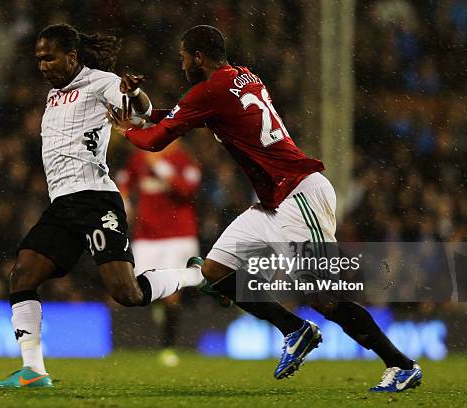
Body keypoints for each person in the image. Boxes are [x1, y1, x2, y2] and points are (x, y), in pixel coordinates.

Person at [108, 25, 422, 393]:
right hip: (273, 200)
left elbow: (157, 137)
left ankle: (401, 365)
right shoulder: (239, 78)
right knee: (215, 272)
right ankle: (294, 329)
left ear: (198, 57)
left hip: (299, 193)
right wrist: (140, 99)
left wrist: (125, 132)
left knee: (324, 297)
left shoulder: (212, 90)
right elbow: (170, 114)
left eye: (182, 57)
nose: (180, 64)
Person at [0, 23, 207, 388]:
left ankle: (198, 275)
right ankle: (34, 371)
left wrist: (135, 92)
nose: (42, 65)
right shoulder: (53, 94)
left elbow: (143, 112)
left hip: (95, 199)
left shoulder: (102, 82)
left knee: (126, 294)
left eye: (49, 58)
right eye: (38, 59)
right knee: (22, 276)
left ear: (72, 57)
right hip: (61, 205)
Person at [118, 140, 201, 366]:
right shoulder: (139, 158)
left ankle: (168, 348)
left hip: (178, 236)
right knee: (136, 287)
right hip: (146, 236)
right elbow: (125, 182)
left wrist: (160, 166)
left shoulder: (184, 161)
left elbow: (186, 189)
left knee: (172, 292)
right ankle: (160, 310)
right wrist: (124, 202)